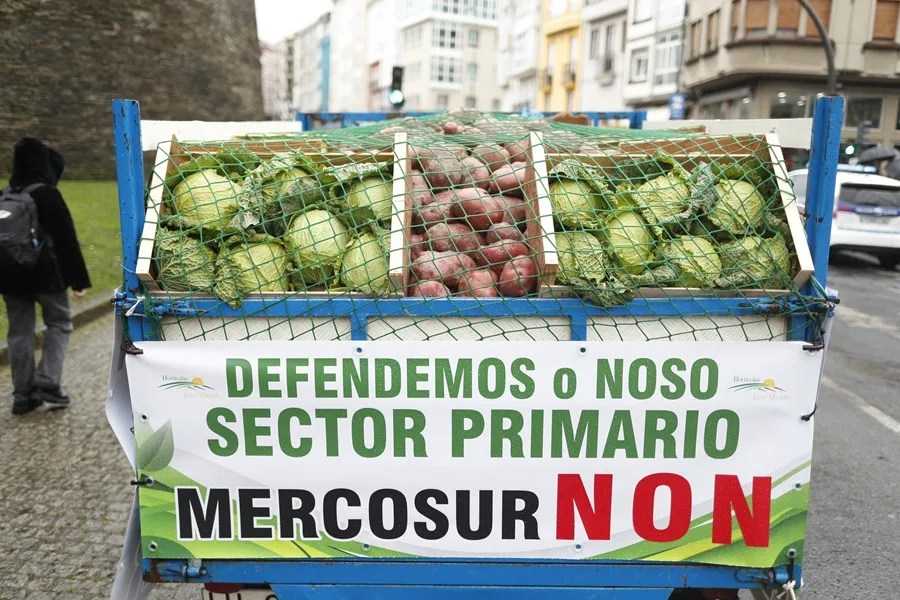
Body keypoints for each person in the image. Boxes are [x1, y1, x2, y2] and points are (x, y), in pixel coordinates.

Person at [1, 137, 90, 415]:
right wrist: (79, 280)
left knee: (19, 333)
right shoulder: (47, 194)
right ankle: (47, 382)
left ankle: (22, 395)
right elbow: (66, 239)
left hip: (10, 278)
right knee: (60, 323)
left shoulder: (5, 195)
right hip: (46, 276)